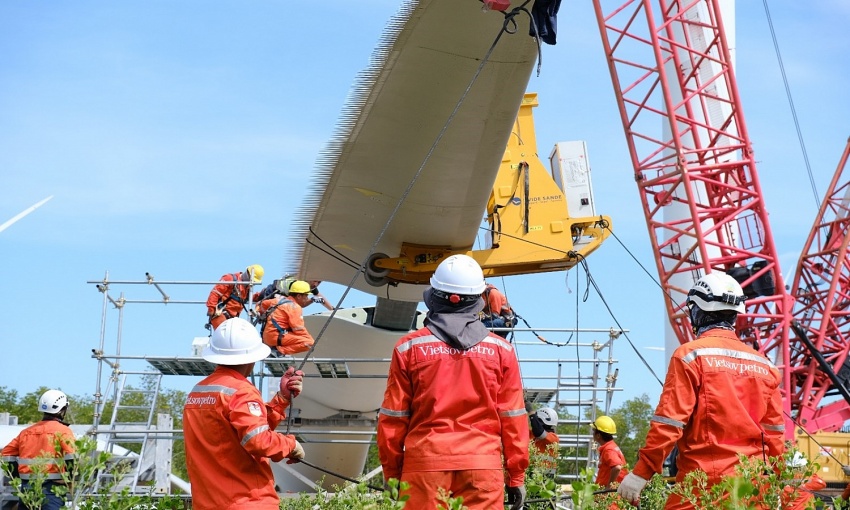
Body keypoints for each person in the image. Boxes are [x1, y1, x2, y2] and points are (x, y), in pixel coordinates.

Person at [617, 272, 785, 508]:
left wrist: (640, 473)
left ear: (698, 310)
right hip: (753, 488)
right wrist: (781, 481)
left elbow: (669, 422)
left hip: (704, 485)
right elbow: (775, 433)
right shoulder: (765, 365)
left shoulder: (690, 356)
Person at [377, 254, 529, 509]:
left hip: (425, 467)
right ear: (479, 300)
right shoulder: (502, 350)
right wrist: (516, 476)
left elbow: (393, 419)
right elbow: (513, 418)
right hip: (483, 467)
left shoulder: (408, 348)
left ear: (434, 296)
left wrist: (393, 476)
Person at [183, 317, 305, 510]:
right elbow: (257, 441)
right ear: (253, 357)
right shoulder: (241, 390)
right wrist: (290, 444)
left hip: (208, 504)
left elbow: (243, 433)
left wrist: (281, 399)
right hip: (246, 501)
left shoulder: (198, 392)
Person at [1, 390, 76, 510]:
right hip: (52, 489)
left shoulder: (26, 432)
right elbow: (72, 457)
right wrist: (71, 479)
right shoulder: (63, 431)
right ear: (62, 409)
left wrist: (17, 475)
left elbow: (5, 454)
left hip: (27, 488)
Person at [254, 280, 316, 356]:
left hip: (267, 337)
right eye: (306, 296)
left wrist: (260, 313)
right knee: (310, 343)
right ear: (299, 296)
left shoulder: (279, 300)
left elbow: (262, 304)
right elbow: (298, 329)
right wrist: (309, 338)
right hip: (276, 337)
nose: (307, 299)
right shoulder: (295, 307)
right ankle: (279, 351)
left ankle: (276, 350)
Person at [206, 264, 264, 331]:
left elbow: (249, 298)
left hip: (232, 319)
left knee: (234, 338)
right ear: (248, 273)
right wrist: (211, 309)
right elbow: (215, 293)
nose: (252, 283)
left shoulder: (247, 287)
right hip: (220, 314)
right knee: (225, 337)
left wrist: (262, 294)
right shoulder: (230, 279)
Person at [592, 415, 627, 488]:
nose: (592, 433)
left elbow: (617, 467)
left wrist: (608, 488)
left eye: (593, 431)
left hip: (610, 497)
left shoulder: (609, 450)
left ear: (598, 435)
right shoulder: (610, 447)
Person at [528, 405, 560, 474]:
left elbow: (539, 432)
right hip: (531, 473)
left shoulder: (553, 438)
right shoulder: (530, 434)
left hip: (545, 476)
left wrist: (531, 414)